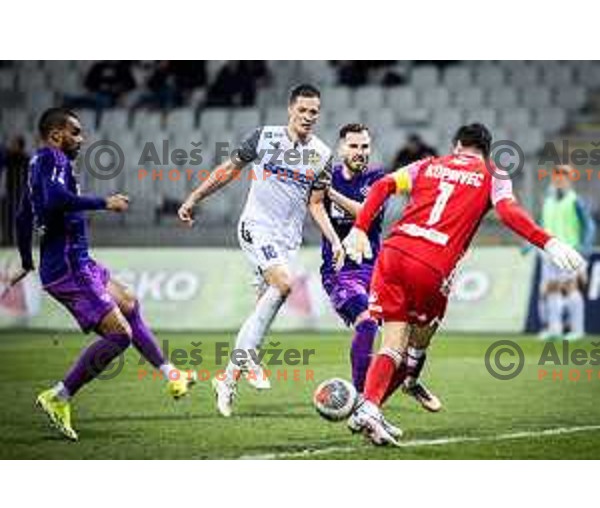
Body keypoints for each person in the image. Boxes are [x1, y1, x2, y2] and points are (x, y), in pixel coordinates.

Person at [342, 123, 586, 445]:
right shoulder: (493, 174)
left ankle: (373, 406)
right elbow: (509, 212)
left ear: (457, 145)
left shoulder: (428, 164)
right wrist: (549, 242)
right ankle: (396, 389)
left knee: (391, 343)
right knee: (418, 341)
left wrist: (360, 228)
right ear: (486, 151)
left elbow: (383, 185)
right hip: (431, 264)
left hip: (393, 252)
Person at [12, 108, 195, 441]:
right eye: (76, 132)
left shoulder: (37, 165)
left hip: (78, 261)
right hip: (69, 267)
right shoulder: (53, 159)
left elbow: (24, 213)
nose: (81, 140)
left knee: (128, 302)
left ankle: (172, 374)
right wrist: (103, 202)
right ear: (56, 135)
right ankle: (59, 396)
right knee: (119, 335)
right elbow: (53, 201)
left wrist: (26, 259)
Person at [178, 84, 340, 417]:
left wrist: (334, 239)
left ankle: (229, 376)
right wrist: (194, 198)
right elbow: (228, 171)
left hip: (287, 240)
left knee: (260, 314)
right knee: (284, 284)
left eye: (314, 112)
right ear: (290, 110)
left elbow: (316, 203)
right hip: (255, 226)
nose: (309, 117)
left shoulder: (322, 155)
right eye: (303, 110)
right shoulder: (264, 138)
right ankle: (246, 361)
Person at [320, 123, 440, 418]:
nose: (360, 152)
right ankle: (362, 398)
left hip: (376, 270)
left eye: (364, 147)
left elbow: (366, 213)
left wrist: (330, 193)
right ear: (341, 149)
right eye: (354, 146)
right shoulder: (326, 176)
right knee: (367, 321)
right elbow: (311, 206)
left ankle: (410, 379)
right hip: (339, 272)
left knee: (410, 331)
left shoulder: (378, 179)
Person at [537, 164, 595, 340]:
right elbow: (541, 225)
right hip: (549, 252)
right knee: (551, 289)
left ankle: (577, 330)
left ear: (570, 180)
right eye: (557, 176)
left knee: (571, 287)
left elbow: (589, 225)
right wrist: (530, 244)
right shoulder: (548, 201)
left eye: (564, 177)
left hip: (569, 251)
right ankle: (555, 329)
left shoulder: (575, 200)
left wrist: (584, 246)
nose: (560, 180)